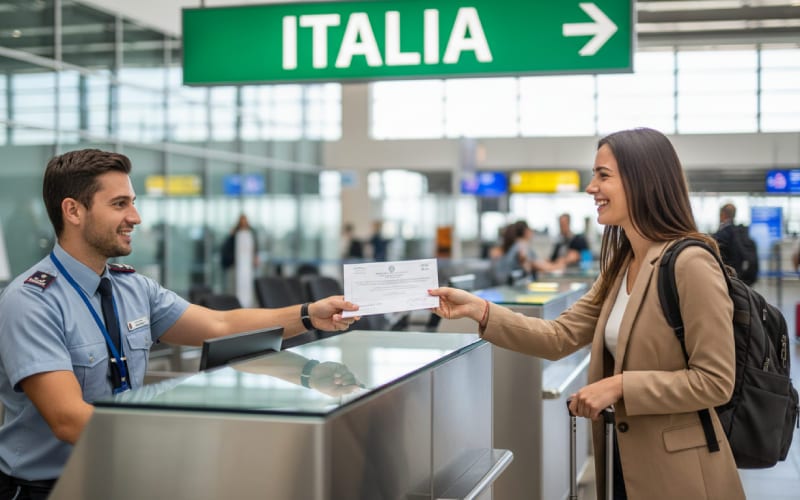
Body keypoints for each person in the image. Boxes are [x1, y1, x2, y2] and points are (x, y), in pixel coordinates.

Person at [0, 149, 359, 498]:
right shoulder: (31, 302)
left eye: (133, 202)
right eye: (119, 204)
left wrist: (309, 314)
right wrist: (182, 435)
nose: (136, 217)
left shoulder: (132, 287)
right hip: (48, 488)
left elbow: (218, 324)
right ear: (73, 211)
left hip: (122, 474)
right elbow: (69, 419)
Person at [429, 128, 744, 499]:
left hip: (682, 476)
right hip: (625, 466)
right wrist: (481, 310)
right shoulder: (624, 263)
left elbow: (715, 381)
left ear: (644, 180)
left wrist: (619, 385)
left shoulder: (690, 263)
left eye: (603, 175)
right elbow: (559, 336)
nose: (591, 187)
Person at [494, 220, 565, 284]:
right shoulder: (522, 246)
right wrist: (560, 264)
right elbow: (542, 266)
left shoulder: (517, 245)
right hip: (516, 287)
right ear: (526, 231)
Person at [220, 213, 258, 293]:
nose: (244, 223)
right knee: (235, 285)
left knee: (247, 285)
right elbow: (228, 247)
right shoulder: (234, 233)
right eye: (242, 221)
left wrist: (255, 257)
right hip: (236, 263)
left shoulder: (251, 233)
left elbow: (255, 247)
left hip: (247, 264)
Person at [712, 203, 743, 273]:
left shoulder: (722, 234)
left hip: (726, 274)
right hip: (737, 274)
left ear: (723, 214)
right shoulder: (739, 232)